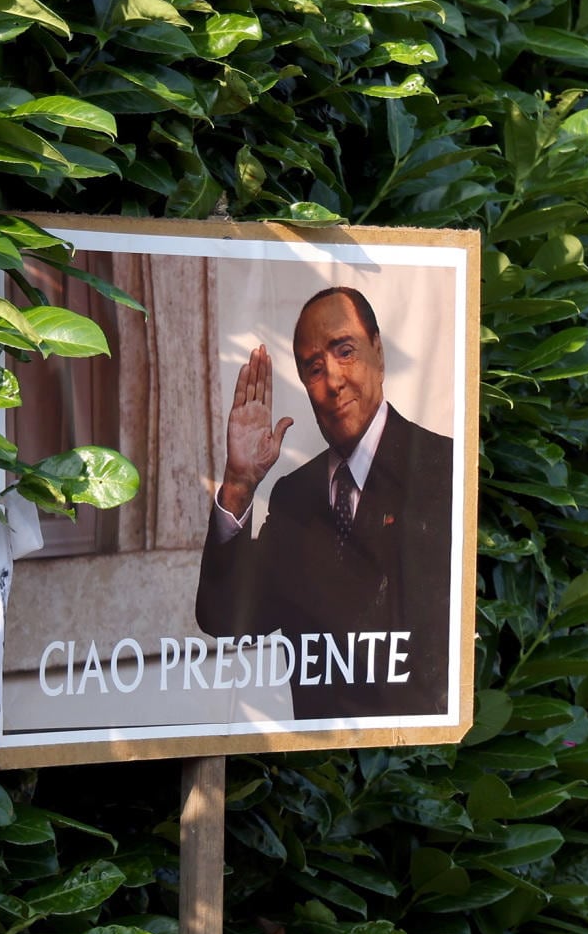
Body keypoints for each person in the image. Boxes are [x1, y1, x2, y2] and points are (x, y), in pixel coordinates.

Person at [192, 284, 454, 719]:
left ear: (379, 353)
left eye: (345, 351)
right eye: (314, 368)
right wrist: (238, 487)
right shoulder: (294, 495)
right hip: (317, 769)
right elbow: (225, 618)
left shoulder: (442, 467)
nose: (333, 380)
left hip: (415, 765)